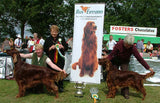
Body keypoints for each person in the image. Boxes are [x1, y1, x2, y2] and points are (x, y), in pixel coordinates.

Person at [106, 34, 154, 99]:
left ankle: (125, 93)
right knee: (113, 77)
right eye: (127, 45)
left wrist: (148, 67)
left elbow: (139, 58)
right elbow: (111, 54)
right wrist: (106, 60)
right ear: (124, 42)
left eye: (130, 45)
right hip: (116, 61)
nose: (128, 46)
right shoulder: (119, 44)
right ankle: (113, 91)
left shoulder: (133, 48)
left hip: (125, 62)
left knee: (126, 77)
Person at [44, 25, 68, 92]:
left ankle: (60, 86)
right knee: (51, 73)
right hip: (51, 60)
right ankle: (52, 86)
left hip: (60, 59)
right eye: (52, 32)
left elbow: (66, 47)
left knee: (60, 72)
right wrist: (50, 48)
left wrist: (62, 47)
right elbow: (44, 49)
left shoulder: (61, 39)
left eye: (55, 32)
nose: (54, 33)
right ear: (50, 32)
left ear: (58, 32)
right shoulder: (48, 39)